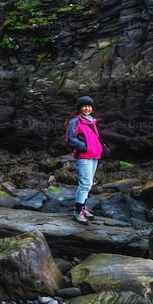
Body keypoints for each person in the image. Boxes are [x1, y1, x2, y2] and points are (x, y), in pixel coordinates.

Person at [65, 95, 103, 224]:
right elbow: (70, 138)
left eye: (89, 106)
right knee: (85, 184)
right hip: (84, 156)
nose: (87, 108)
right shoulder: (76, 121)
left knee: (89, 184)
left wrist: (98, 149)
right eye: (84, 106)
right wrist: (84, 147)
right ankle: (77, 211)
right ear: (80, 108)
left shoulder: (92, 121)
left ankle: (83, 208)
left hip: (94, 156)